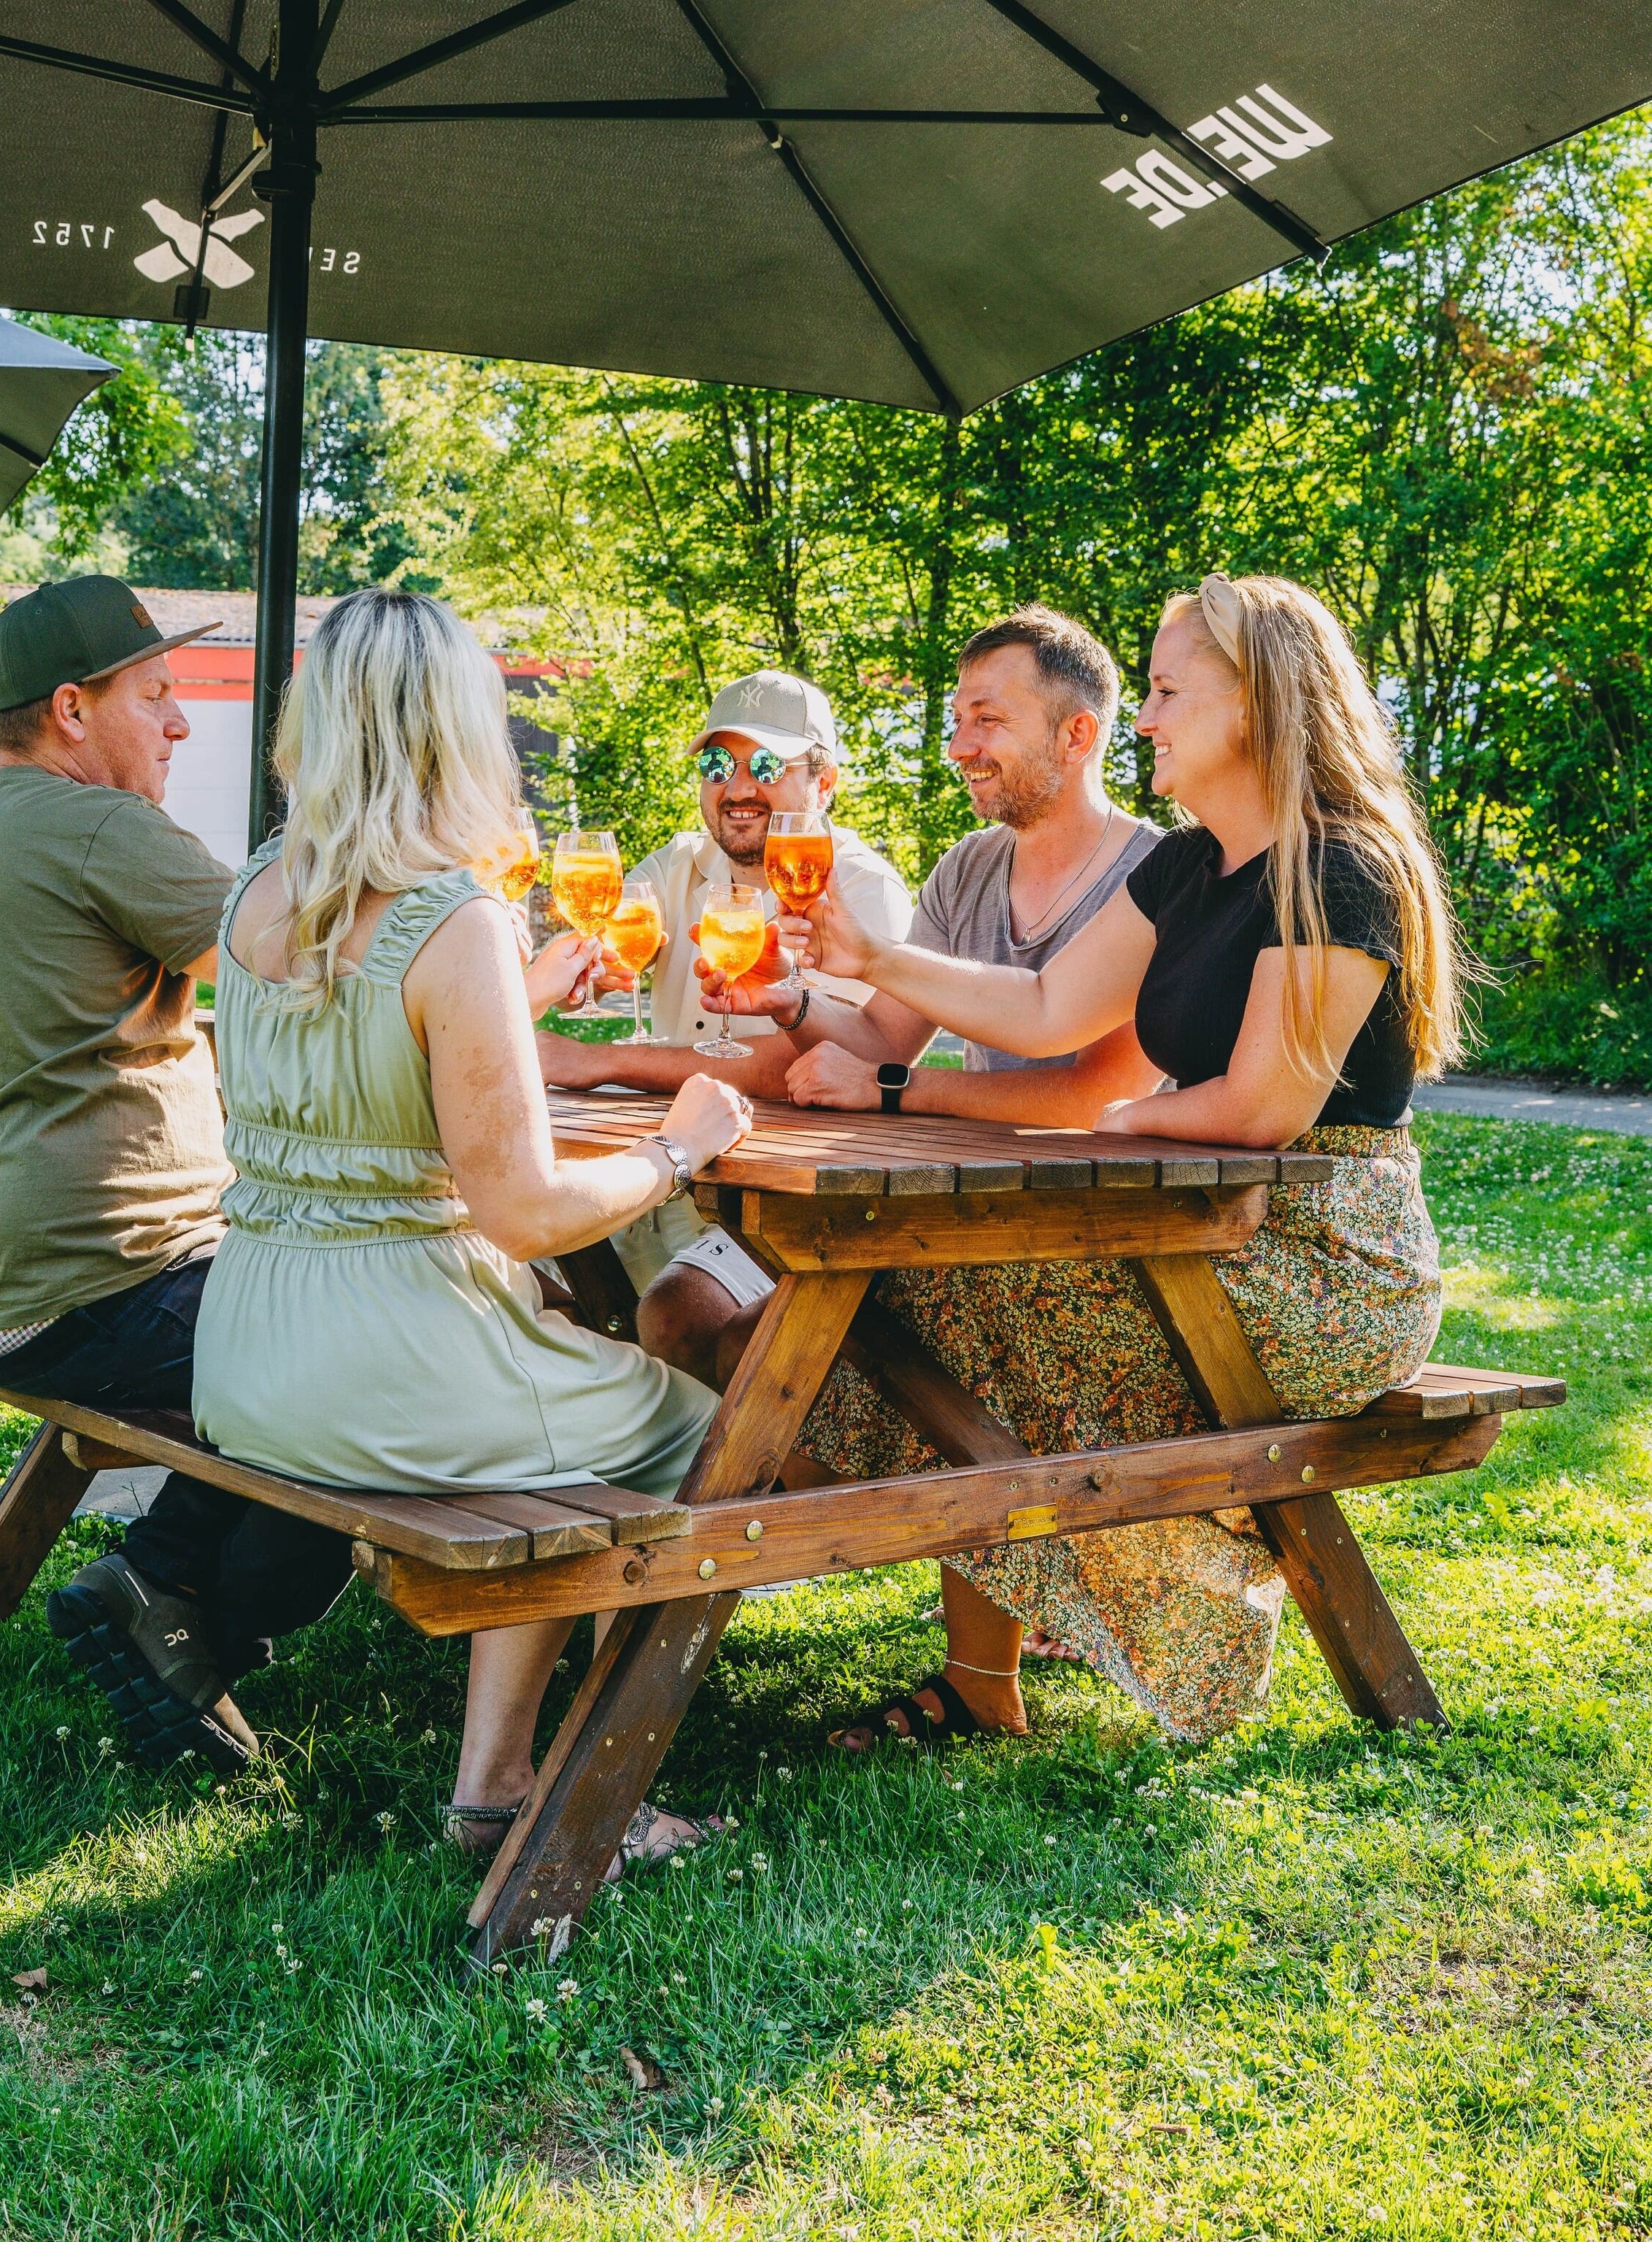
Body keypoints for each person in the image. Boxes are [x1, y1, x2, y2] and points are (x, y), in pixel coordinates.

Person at [721, 573, 1459, 1748]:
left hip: (1327, 1262)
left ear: (1258, 706)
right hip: (1210, 1222)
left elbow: (1263, 1109)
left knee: (941, 1304)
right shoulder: (1186, 866)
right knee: (917, 1294)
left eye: (1167, 691)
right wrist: (870, 958)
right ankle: (985, 1661)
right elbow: (1048, 1002)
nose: (1147, 718)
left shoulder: (1339, 867)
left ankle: (1132, 1626)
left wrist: (1113, 1123)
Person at [190, 588, 752, 1868]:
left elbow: (355, 1084)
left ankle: (493, 1783)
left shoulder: (252, 900)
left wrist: (521, 985)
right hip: (387, 1363)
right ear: (458, 731)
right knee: (704, 1438)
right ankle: (575, 1798)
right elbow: (524, 1210)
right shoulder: (455, 918)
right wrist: (683, 1147)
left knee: (551, 1410)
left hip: (245, 1352)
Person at [0, 575, 363, 1776]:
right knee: (373, 1360)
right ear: (73, 710)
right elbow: (308, 969)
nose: (181, 725)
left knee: (325, 1333)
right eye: (159, 695)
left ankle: (168, 1598)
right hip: (106, 1287)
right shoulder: (100, 829)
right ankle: (173, 1601)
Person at [538, 667, 912, 1374]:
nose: (737, 787)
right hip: (664, 1175)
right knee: (518, 1278)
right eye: (717, 764)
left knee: (671, 1317)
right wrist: (588, 975)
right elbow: (608, 941)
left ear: (823, 782)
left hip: (783, 1207)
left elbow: (793, 1069)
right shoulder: (680, 865)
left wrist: (599, 1061)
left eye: (766, 765)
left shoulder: (859, 891)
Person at [763, 606, 1165, 1129]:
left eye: (988, 719)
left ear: (1076, 736)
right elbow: (884, 1040)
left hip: (1122, 1204)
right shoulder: (967, 867)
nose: (957, 748)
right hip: (973, 1194)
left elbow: (1097, 1097)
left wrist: (888, 1088)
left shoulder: (1159, 874)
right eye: (958, 720)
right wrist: (787, 1001)